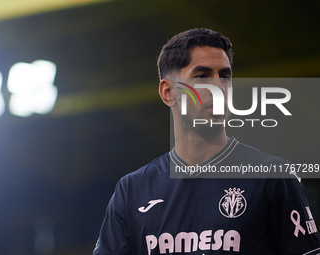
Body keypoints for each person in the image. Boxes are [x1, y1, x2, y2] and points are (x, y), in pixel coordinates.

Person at [93, 28, 320, 254]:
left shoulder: (272, 176)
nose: (218, 88)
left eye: (224, 76)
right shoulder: (132, 190)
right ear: (167, 92)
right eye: (202, 76)